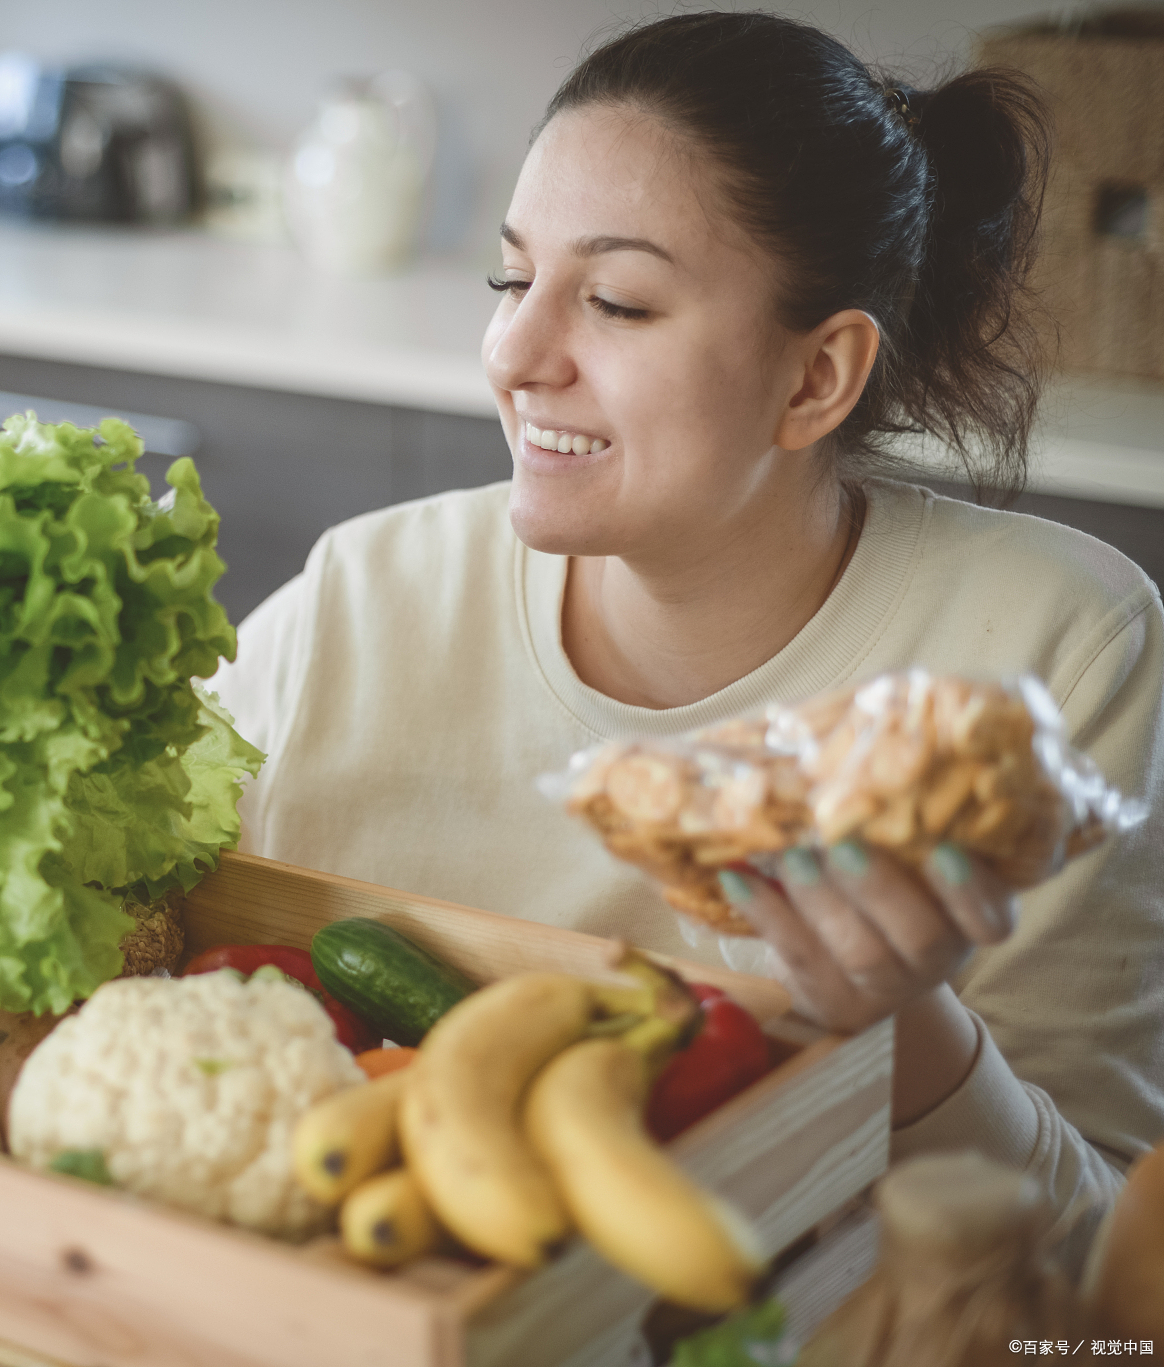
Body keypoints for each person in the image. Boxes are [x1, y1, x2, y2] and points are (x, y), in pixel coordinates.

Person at [210, 10, 1164, 1264]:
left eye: (613, 301)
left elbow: (1096, 1282)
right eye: (511, 279)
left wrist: (906, 1024)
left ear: (815, 378)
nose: (511, 353)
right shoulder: (365, 594)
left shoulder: (1050, 652)